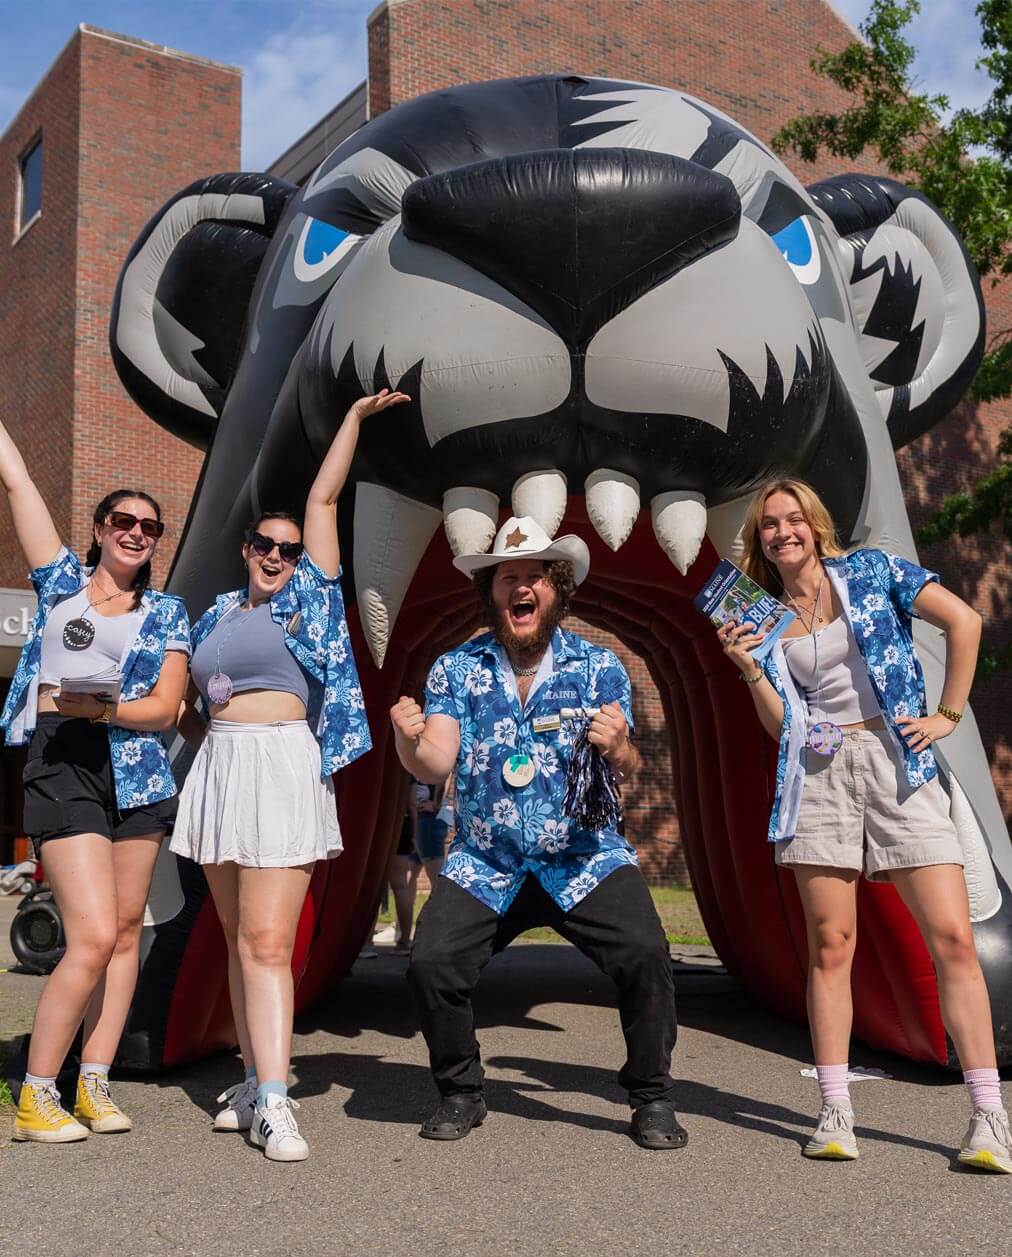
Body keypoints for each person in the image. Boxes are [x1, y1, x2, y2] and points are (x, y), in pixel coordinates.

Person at [717, 477, 1010, 1171]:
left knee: (952, 939)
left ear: (815, 524)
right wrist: (748, 669)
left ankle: (988, 1116)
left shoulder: (873, 571)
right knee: (831, 944)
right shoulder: (762, 616)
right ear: (759, 539)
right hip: (818, 773)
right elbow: (781, 725)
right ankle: (836, 1111)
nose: (783, 532)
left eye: (793, 518)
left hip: (896, 756)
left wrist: (947, 715)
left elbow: (964, 622)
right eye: (769, 524)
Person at [390, 515, 685, 1149]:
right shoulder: (456, 668)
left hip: (585, 858)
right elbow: (435, 762)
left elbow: (630, 765)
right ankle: (461, 1092)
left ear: (556, 590)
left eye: (535, 577)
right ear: (491, 592)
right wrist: (406, 739)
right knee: (432, 963)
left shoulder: (598, 666)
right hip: (486, 861)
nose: (521, 587)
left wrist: (619, 746)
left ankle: (651, 1096)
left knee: (645, 955)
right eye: (507, 578)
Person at [174, 389, 406, 1162]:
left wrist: (353, 421)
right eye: (264, 545)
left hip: (281, 763)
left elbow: (322, 498)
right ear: (245, 548)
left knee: (269, 942)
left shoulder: (309, 599)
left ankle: (276, 1101)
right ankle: (252, 1079)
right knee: (238, 938)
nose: (276, 555)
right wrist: (201, 739)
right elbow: (187, 704)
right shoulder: (212, 616)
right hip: (220, 768)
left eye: (288, 548)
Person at [0, 419, 190, 1144]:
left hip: (137, 772)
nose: (136, 532)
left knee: (123, 934)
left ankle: (94, 1081)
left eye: (149, 526)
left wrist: (106, 708)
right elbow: (18, 481)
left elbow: (166, 707)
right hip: (64, 761)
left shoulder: (167, 612)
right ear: (100, 528)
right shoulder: (60, 586)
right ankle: (36, 1093)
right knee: (89, 936)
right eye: (123, 521)